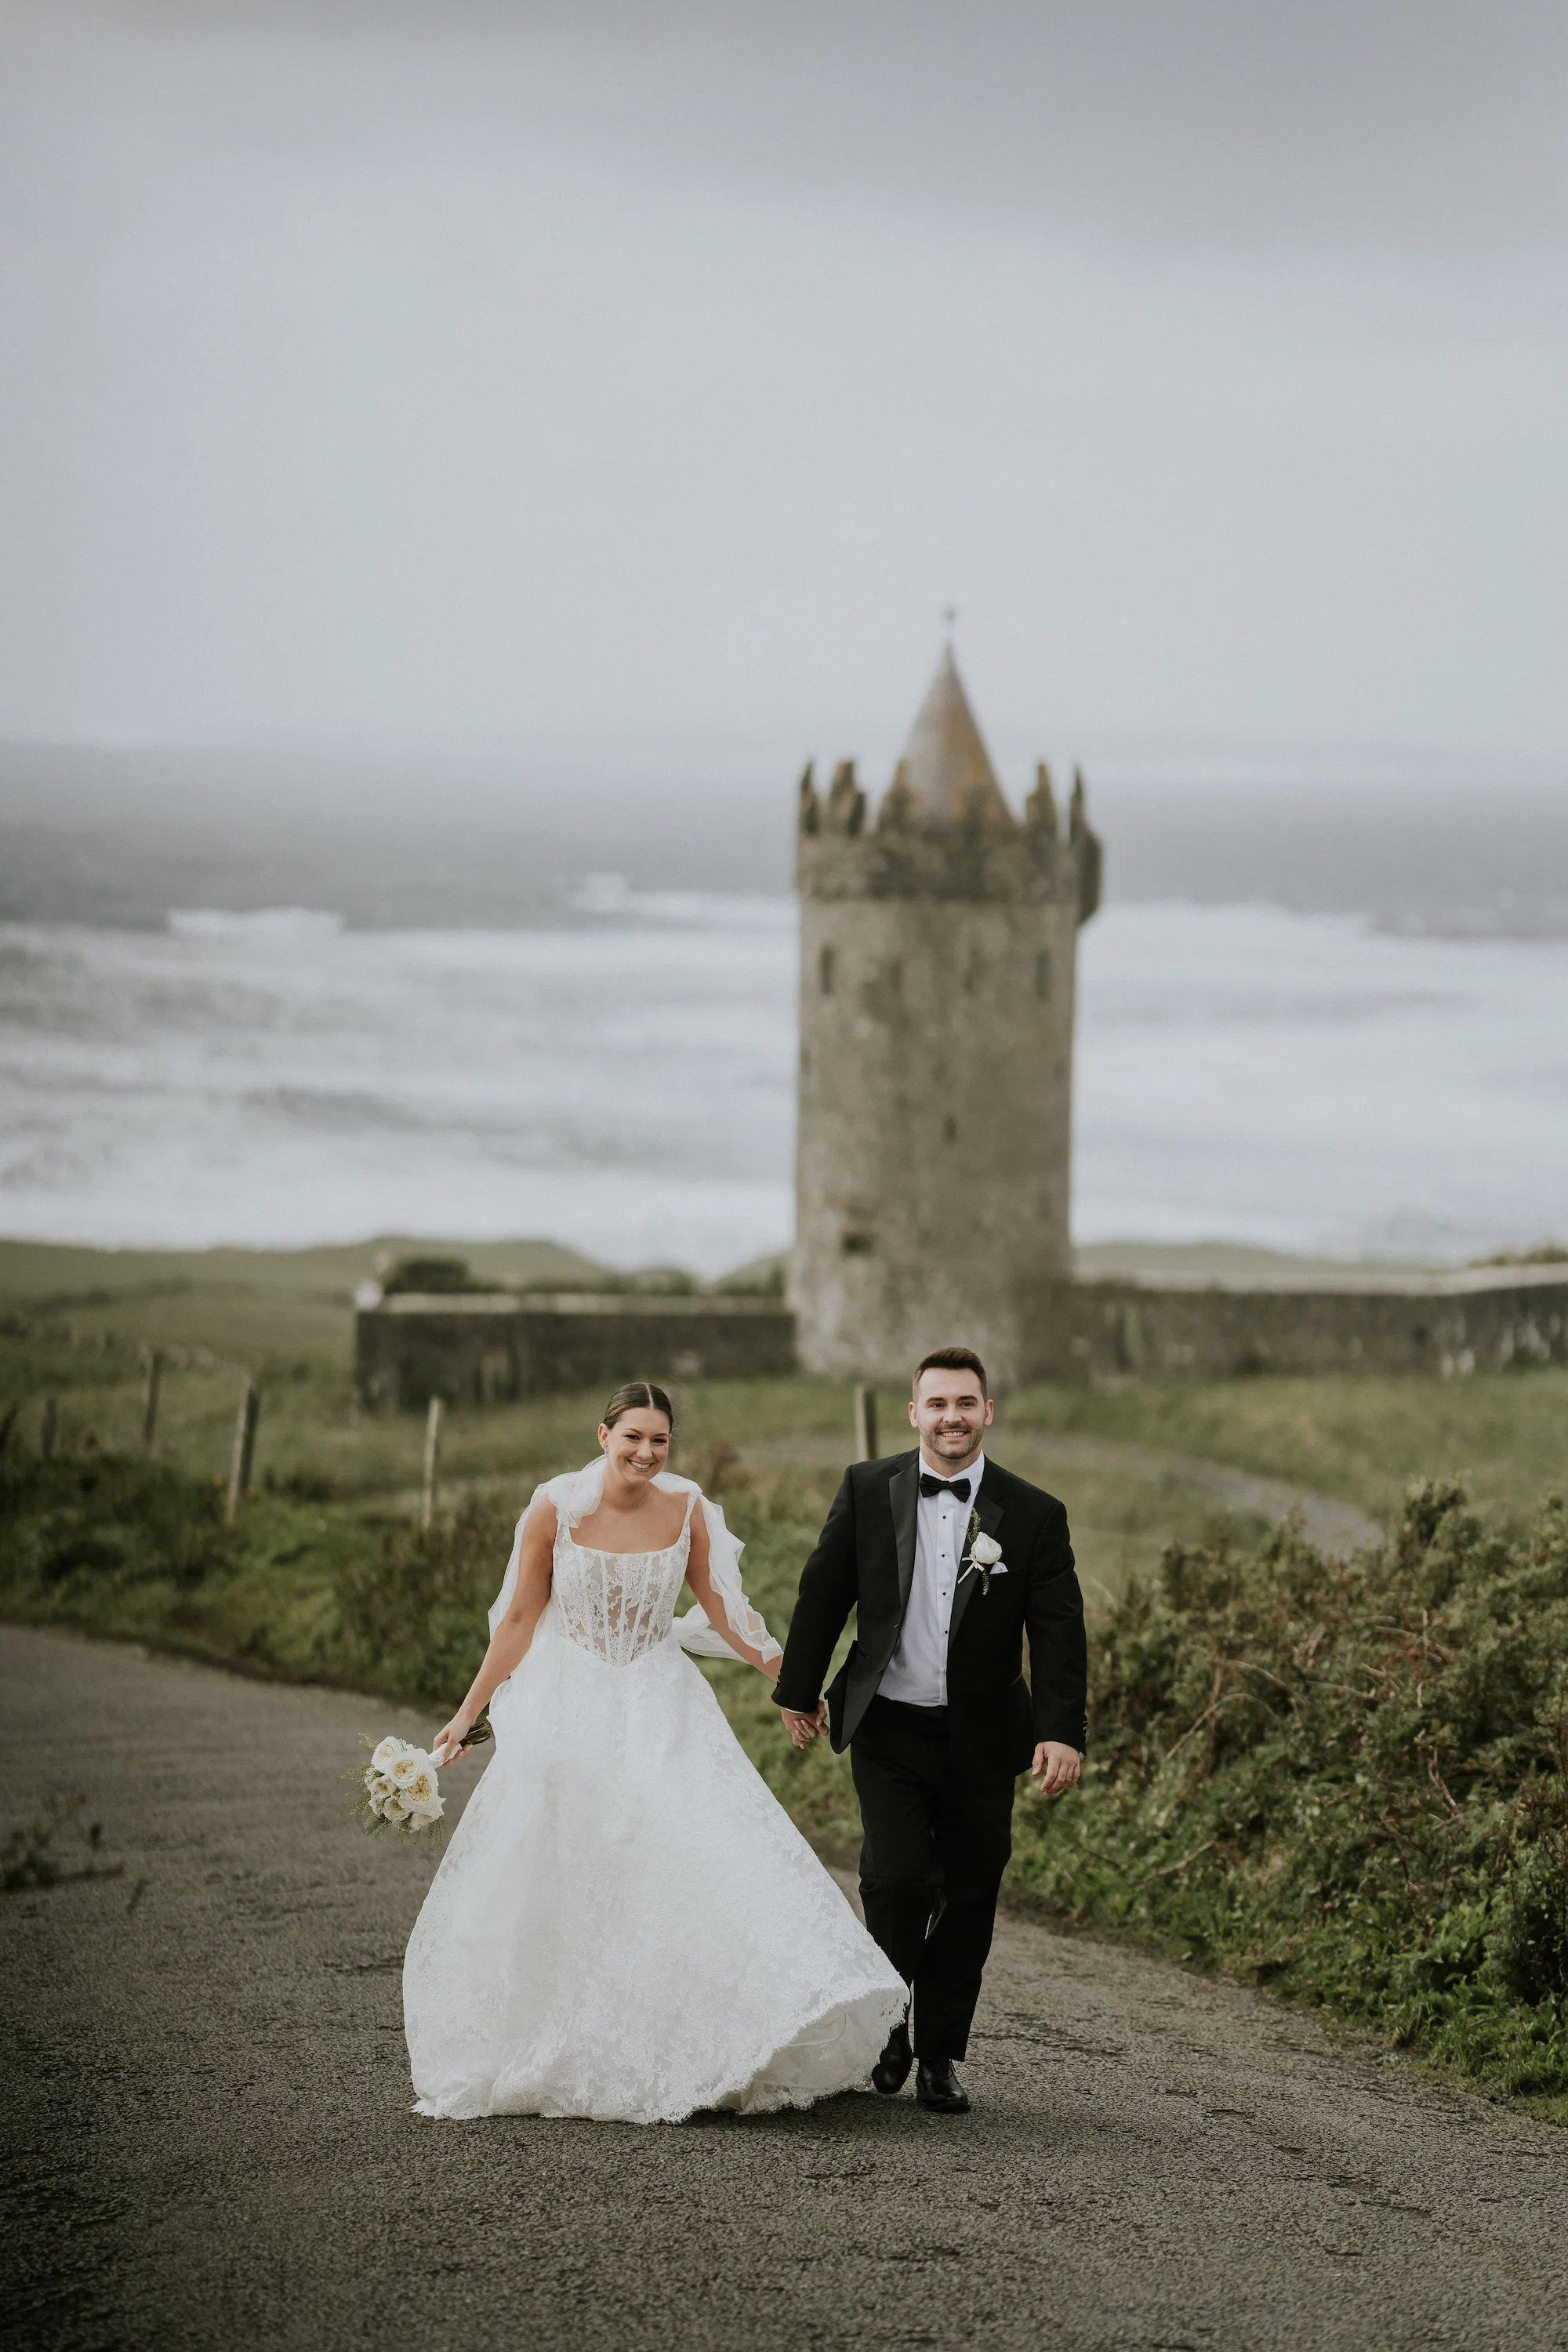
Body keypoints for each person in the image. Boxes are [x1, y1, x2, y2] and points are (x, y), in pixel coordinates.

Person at [404, 1381, 906, 2124]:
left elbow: (723, 1609)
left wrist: (791, 1683)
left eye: (659, 1440)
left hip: (659, 1698)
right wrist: (467, 1712)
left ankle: (710, 2035)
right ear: (603, 1434)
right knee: (565, 1865)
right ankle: (564, 2036)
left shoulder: (688, 1507)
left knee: (698, 1847)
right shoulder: (554, 1508)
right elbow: (519, 1618)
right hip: (569, 1702)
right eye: (633, 1436)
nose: (646, 1452)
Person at [773, 1346, 1087, 2114]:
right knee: (897, 1879)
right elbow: (824, 1592)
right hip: (888, 1725)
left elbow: (1058, 1630)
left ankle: (940, 2055)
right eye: (938, 1403)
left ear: (988, 1413)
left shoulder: (1034, 1514)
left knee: (971, 1891)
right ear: (914, 1413)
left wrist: (1060, 1731)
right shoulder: (867, 1488)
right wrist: (799, 1691)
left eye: (965, 1403)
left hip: (984, 1736)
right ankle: (888, 2024)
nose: (952, 1417)